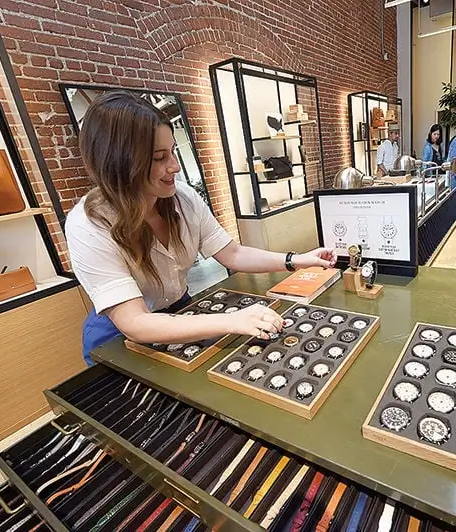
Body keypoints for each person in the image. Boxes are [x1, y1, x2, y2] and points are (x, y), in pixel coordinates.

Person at [65, 91, 336, 365]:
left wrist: (296, 260)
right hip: (116, 336)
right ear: (119, 163)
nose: (174, 166)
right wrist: (232, 320)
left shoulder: (182, 199)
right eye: (159, 157)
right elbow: (134, 322)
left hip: (182, 313)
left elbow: (232, 254)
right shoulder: (89, 225)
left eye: (172, 152)